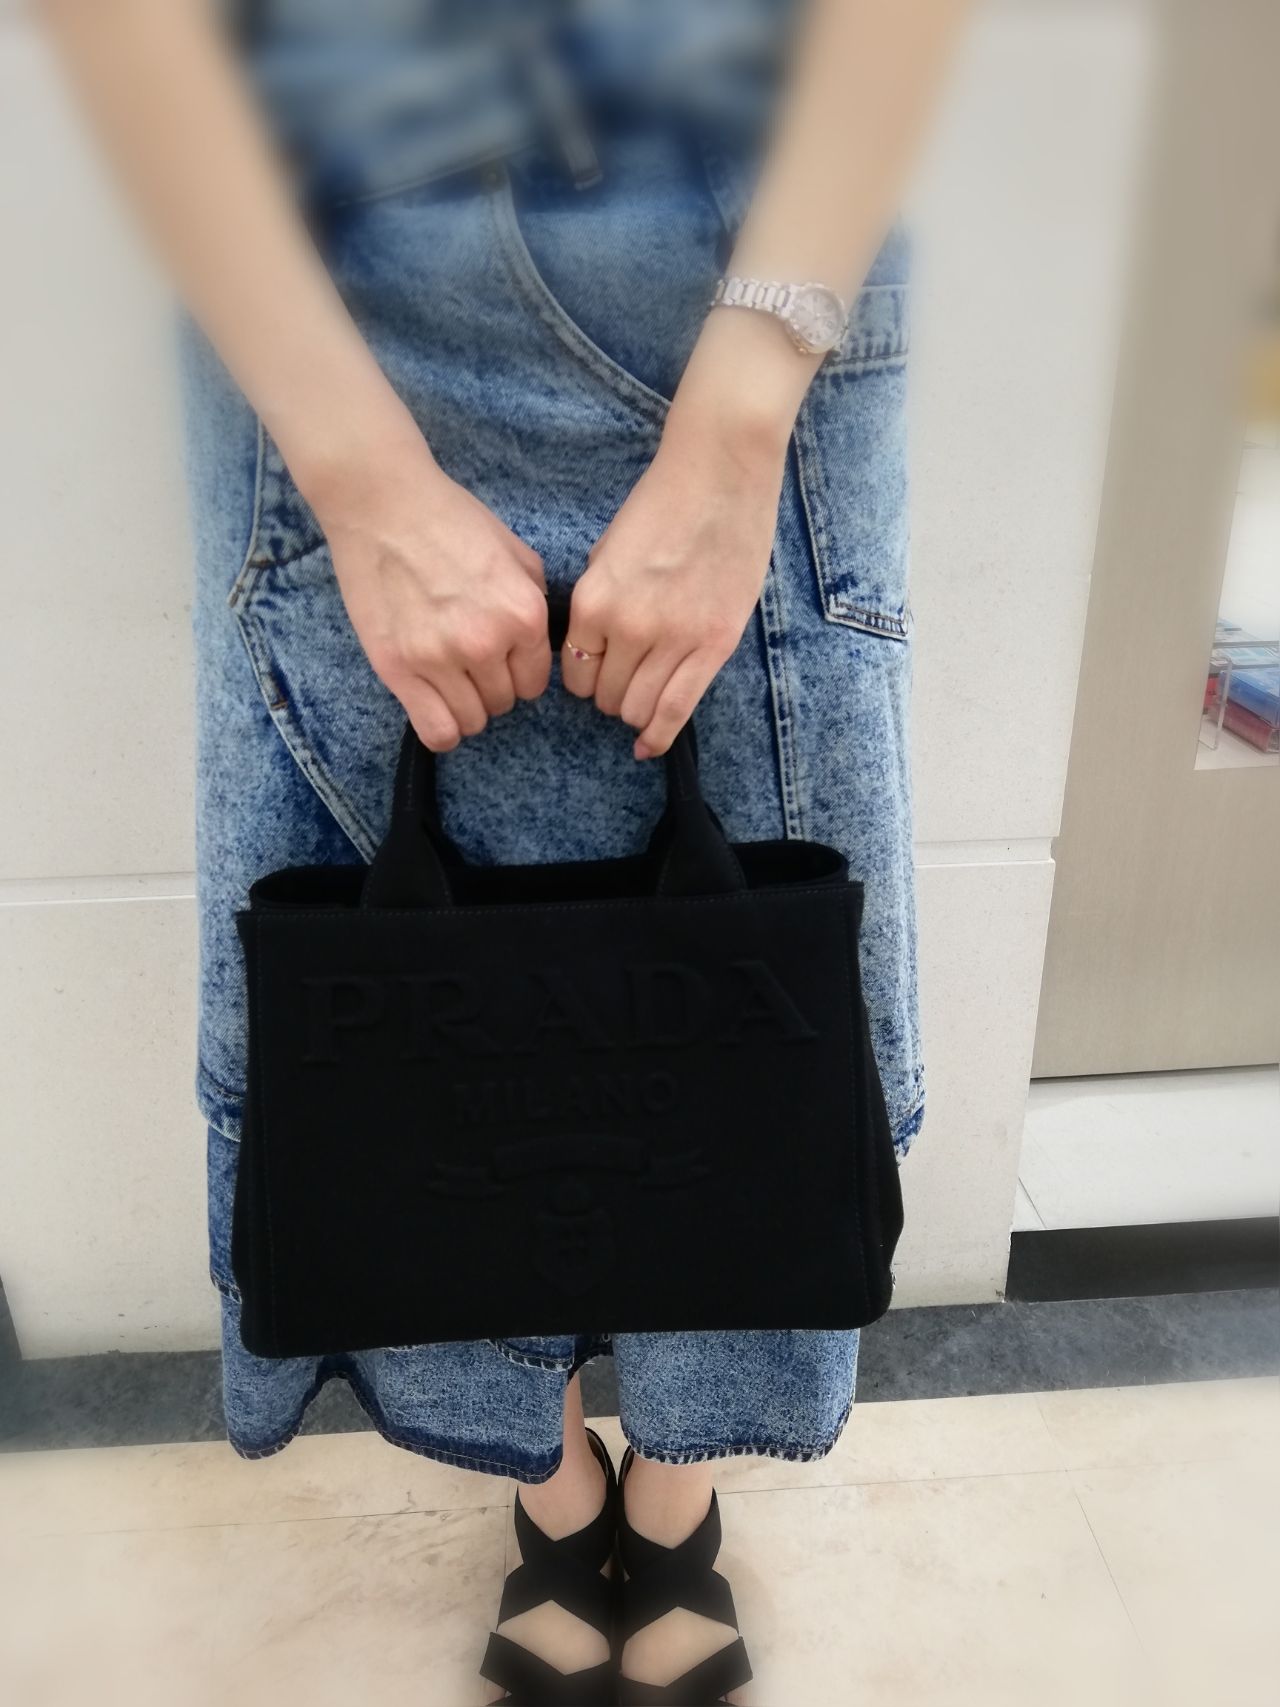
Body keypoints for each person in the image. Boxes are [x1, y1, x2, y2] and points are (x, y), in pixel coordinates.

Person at [44, 1, 965, 1699]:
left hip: (761, 260)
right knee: (404, 1015)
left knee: (752, 1000)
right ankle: (552, 1494)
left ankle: (673, 1498)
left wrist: (738, 423)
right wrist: (362, 479)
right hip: (339, 275)